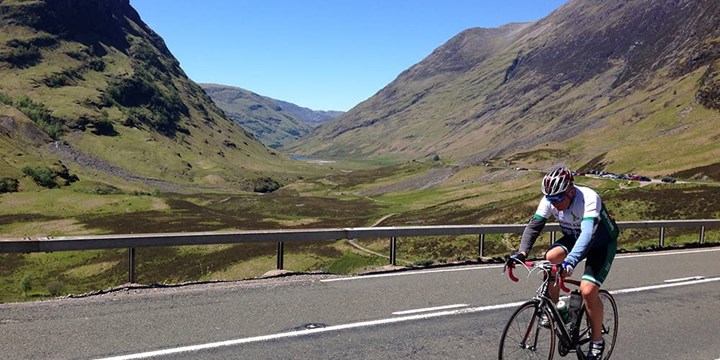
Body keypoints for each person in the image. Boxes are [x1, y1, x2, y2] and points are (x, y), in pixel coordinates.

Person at [506, 167, 618, 360]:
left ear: (571, 191)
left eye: (558, 200)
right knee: (550, 259)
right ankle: (557, 308)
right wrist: (522, 253)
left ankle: (597, 341)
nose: (554, 204)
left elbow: (587, 235)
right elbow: (534, 225)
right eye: (550, 200)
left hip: (600, 243)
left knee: (588, 291)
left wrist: (570, 262)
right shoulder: (550, 198)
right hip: (574, 237)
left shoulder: (589, 199)